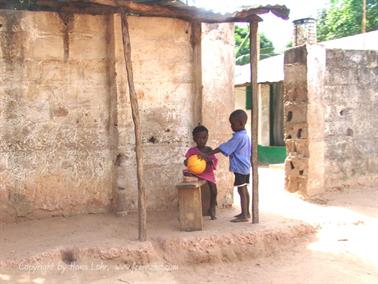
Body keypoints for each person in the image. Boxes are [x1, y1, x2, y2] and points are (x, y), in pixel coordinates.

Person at [200, 109, 251, 222]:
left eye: (233, 124)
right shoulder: (245, 136)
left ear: (240, 123)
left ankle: (244, 215)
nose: (231, 126)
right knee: (244, 189)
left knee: (241, 190)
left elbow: (226, 146)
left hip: (240, 167)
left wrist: (209, 153)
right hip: (245, 166)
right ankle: (246, 212)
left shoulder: (238, 137)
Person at [184, 125, 218, 220]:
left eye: (204, 138)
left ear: (207, 137)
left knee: (214, 189)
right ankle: (188, 209)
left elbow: (213, 161)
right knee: (187, 175)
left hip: (207, 172)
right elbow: (186, 161)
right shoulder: (192, 151)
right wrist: (186, 162)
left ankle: (212, 208)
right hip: (195, 173)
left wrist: (206, 159)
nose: (201, 140)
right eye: (198, 138)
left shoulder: (209, 150)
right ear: (194, 138)